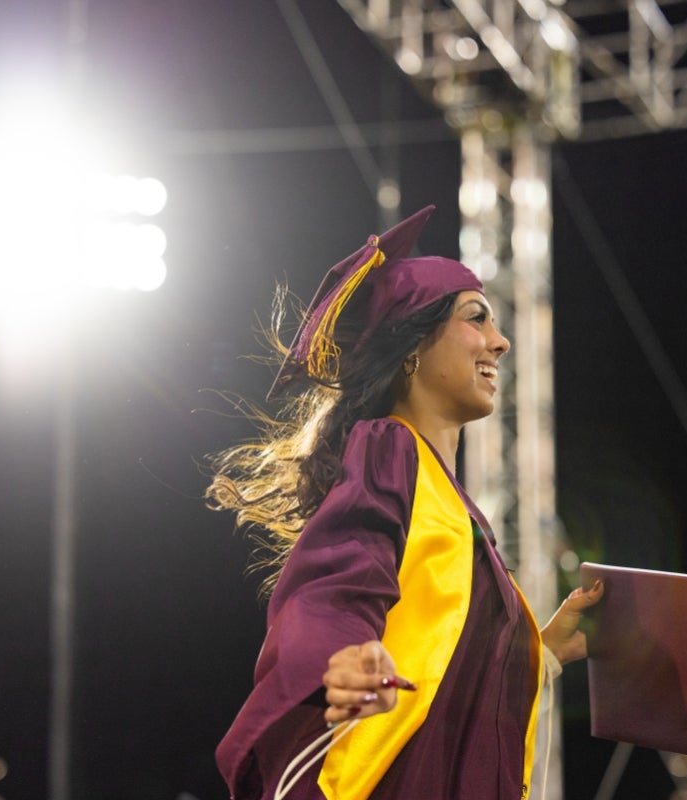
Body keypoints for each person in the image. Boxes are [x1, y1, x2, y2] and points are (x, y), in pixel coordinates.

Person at [206, 205, 605, 800]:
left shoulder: (449, 499)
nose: (501, 342)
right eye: (477, 319)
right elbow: (333, 586)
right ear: (413, 346)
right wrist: (337, 658)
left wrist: (535, 651)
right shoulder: (391, 449)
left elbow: (440, 657)